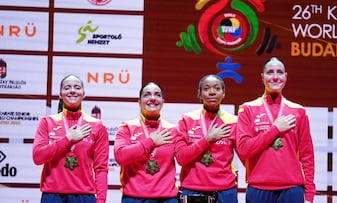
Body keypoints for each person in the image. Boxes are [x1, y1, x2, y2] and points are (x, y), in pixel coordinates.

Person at [236, 57, 315, 203]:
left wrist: (309, 194)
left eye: (279, 72)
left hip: (292, 188)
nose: (275, 77)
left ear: (285, 76)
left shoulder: (298, 111)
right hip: (258, 187)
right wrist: (275, 130)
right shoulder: (247, 109)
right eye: (270, 72)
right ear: (262, 77)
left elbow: (307, 155)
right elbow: (243, 150)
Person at [32, 74, 109, 203]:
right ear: (60, 95)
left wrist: (101, 200)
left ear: (83, 94)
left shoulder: (97, 126)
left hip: (84, 196)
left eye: (77, 87)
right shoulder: (47, 122)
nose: (72, 90)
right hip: (52, 196)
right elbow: (38, 157)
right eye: (67, 87)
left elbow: (101, 168)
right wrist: (68, 139)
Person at [175, 74, 240, 203]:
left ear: (223, 93)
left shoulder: (234, 121)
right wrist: (207, 139)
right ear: (199, 93)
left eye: (217, 88)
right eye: (206, 88)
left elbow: (246, 153)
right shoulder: (187, 120)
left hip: (225, 191)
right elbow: (181, 158)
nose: (212, 92)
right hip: (193, 190)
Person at [114, 82, 178, 203]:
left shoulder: (172, 130)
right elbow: (120, 156)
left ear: (163, 102)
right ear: (139, 102)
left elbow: (184, 157)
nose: (152, 98)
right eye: (147, 95)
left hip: (167, 199)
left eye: (157, 95)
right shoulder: (126, 127)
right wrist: (151, 141)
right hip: (134, 198)